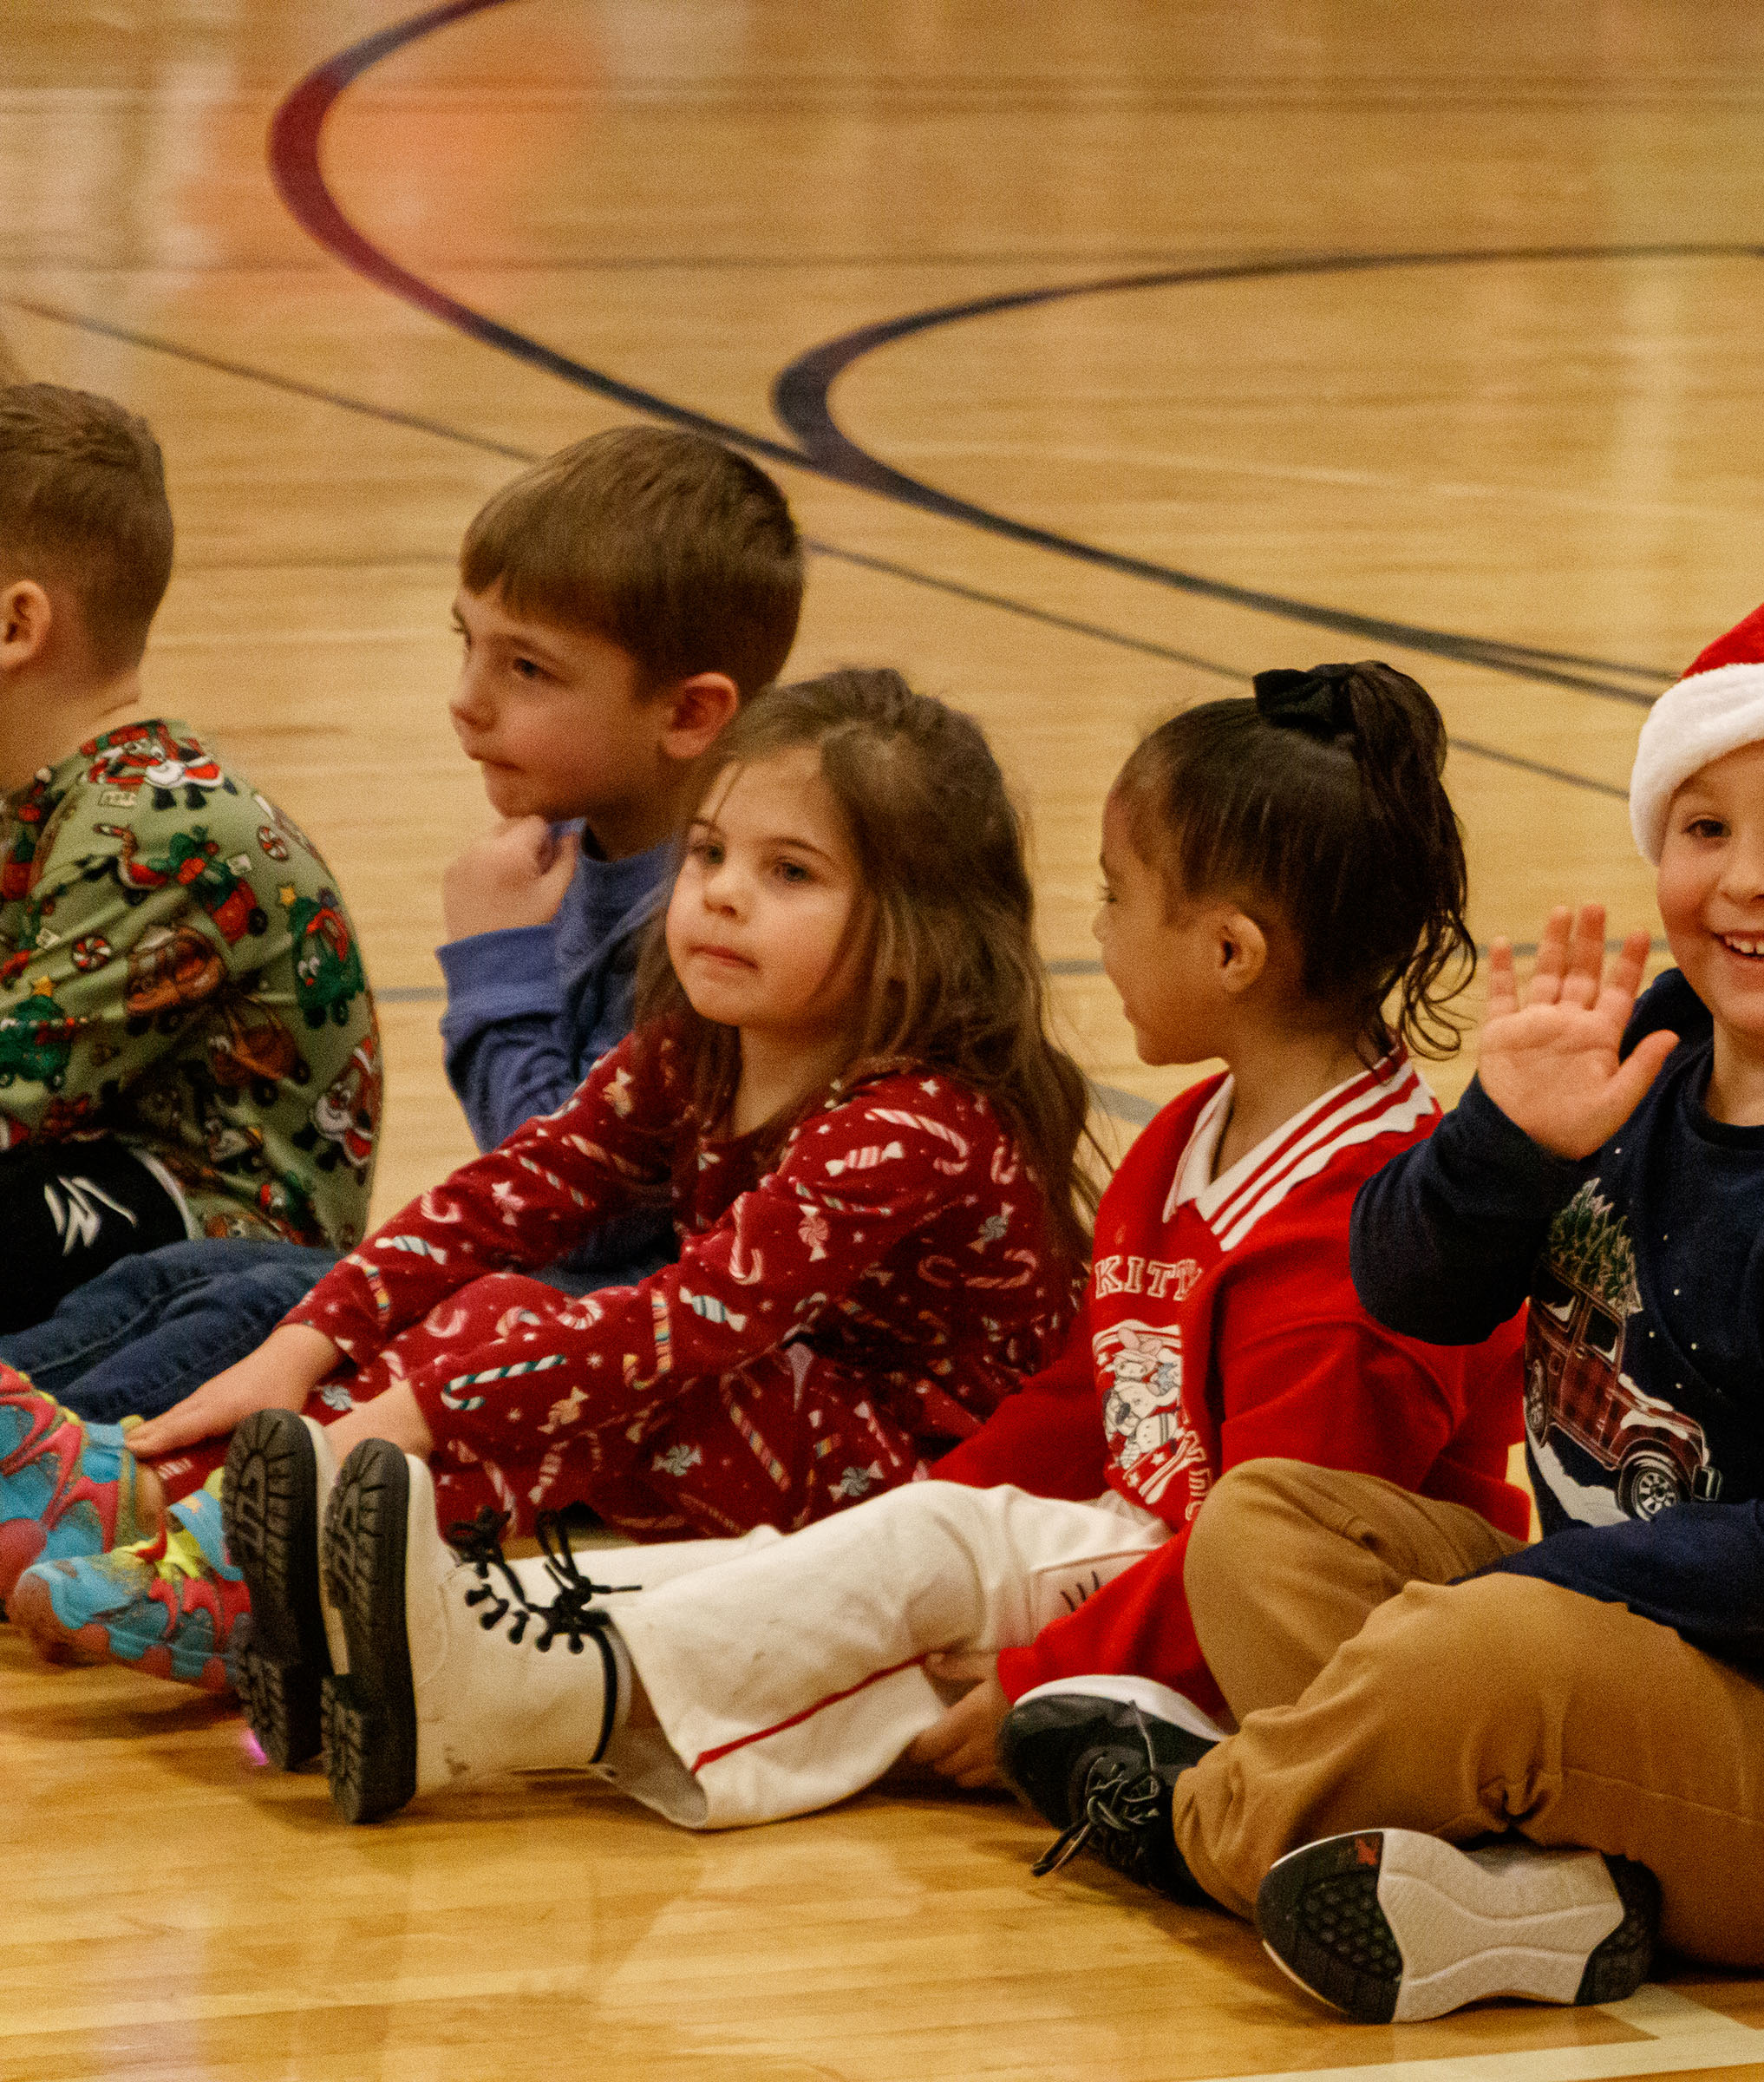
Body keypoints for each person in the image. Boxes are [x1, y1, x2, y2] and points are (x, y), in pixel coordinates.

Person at [996, 551, 1764, 2026]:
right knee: (1265, 1518)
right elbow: (1406, 1287)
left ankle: (1206, 1819)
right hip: (1617, 1666)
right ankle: (1530, 1902)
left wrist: (1523, 1608)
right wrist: (1505, 1143)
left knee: (1494, 1645)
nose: (1750, 877)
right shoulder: (1652, 1052)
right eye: (1707, 825)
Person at [275, 659, 1530, 1831]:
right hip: (1141, 1561)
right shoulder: (1197, 1132)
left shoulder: (1359, 1230)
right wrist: (951, 1500)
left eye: (1114, 894)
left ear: (1231, 951)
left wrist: (1048, 1669)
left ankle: (505, 1695)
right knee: (866, 1563)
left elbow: (1277, 1571)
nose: (1092, 928)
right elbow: (1086, 1386)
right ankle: (481, 1640)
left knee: (901, 1579)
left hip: (1284, 1640)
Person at [10, 671, 1093, 1760]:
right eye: (709, 852)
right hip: (776, 1409)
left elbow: (688, 1325)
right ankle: (173, 1519)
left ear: (919, 928)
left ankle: (211, 1547)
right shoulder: (703, 1046)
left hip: (916, 1492)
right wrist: (305, 1347)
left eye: (790, 873)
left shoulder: (916, 1124)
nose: (719, 892)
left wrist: (422, 1408)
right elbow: (512, 1191)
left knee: (567, 1351)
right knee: (465, 1314)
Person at [0, 423, 802, 1437]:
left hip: (614, 1344)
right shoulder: (574, 860)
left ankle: (51, 1470)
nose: (467, 704)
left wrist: (498, 968)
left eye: (528, 671)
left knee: (249, 1303)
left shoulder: (711, 923)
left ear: (688, 714)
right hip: (520, 1298)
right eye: (468, 645)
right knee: (200, 1276)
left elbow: (584, 1205)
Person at [0, 382, 377, 1326]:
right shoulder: (49, 798)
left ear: (16, 627)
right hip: (97, 1178)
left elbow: (11, 1092)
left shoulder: (152, 825)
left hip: (226, 1247)